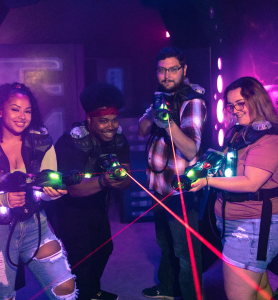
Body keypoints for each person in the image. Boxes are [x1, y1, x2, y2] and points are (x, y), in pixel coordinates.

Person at [0, 82, 77, 300]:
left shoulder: (41, 142)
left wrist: (52, 192)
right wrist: (4, 199)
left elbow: (43, 187)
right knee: (2, 297)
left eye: (28, 111)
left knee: (65, 288)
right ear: (0, 111)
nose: (22, 116)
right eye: (15, 109)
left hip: (35, 225)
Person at [190, 77, 278, 300]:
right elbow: (233, 171)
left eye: (241, 103)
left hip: (252, 227)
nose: (235, 110)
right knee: (260, 289)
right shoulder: (241, 132)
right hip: (237, 224)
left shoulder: (269, 138)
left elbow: (251, 182)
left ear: (256, 99)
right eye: (231, 105)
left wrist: (207, 182)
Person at [139, 46, 207, 300]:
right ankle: (167, 288)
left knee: (186, 253)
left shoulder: (192, 100)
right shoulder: (163, 96)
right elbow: (142, 130)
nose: (167, 75)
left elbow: (191, 149)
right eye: (162, 70)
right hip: (159, 185)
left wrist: (168, 123)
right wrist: (154, 112)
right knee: (165, 244)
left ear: (184, 70)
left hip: (180, 190)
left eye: (172, 69)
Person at [54, 83, 131, 300]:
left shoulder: (118, 140)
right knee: (81, 257)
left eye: (114, 119)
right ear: (89, 120)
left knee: (104, 250)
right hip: (68, 207)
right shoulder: (71, 142)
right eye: (104, 121)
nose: (111, 126)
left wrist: (120, 179)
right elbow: (74, 190)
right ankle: (83, 295)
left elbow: (127, 180)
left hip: (98, 204)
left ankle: (91, 292)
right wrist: (105, 182)